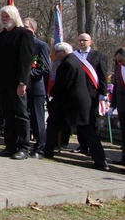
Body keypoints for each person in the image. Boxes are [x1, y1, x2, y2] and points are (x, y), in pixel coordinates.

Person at [43, 42, 109, 170]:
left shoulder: (68, 64)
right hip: (77, 102)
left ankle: (48, 151)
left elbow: (63, 84)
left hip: (72, 103)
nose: (56, 55)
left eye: (57, 52)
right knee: (87, 131)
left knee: (54, 125)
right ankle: (101, 160)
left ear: (64, 52)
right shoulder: (74, 61)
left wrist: (52, 94)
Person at [0, 6, 34, 160]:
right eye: (2, 16)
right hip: (2, 83)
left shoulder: (24, 34)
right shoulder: (1, 36)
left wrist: (23, 83)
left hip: (17, 83)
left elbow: (25, 60)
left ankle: (24, 147)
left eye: (7, 16)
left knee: (21, 115)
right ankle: (10, 146)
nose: (4, 19)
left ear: (14, 16)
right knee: (7, 115)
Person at [73, 33, 108, 159]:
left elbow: (103, 76)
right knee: (79, 120)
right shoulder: (74, 56)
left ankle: (92, 146)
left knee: (92, 121)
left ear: (90, 41)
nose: (82, 43)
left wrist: (103, 94)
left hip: (92, 94)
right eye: (80, 40)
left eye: (85, 40)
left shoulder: (99, 56)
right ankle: (82, 146)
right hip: (77, 94)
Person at [23, 17, 51, 157]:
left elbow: (45, 68)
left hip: (35, 87)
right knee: (24, 117)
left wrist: (26, 75)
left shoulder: (41, 45)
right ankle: (24, 145)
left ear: (34, 29)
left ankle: (40, 148)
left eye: (27, 27)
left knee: (37, 119)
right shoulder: (20, 44)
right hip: (22, 88)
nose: (24, 30)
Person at [111, 48, 125, 165]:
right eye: (117, 61)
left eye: (121, 60)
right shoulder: (118, 69)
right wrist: (113, 105)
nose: (119, 63)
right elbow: (115, 88)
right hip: (122, 106)